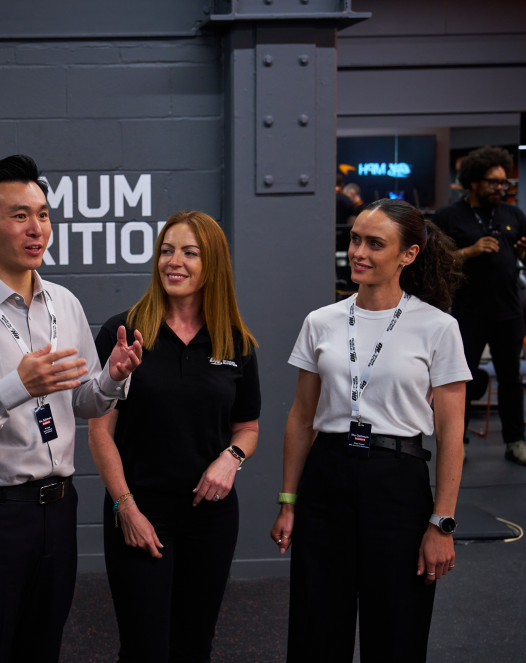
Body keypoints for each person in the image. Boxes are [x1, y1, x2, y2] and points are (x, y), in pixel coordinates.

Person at [0, 154, 143, 663]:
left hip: (58, 510)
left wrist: (112, 377)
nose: (37, 228)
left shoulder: (64, 303)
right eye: (19, 215)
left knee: (43, 648)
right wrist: (14, 388)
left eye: (42, 214)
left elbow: (83, 401)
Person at [272, 199, 470, 662]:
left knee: (396, 631)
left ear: (409, 254)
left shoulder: (438, 328)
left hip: (398, 482)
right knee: (316, 627)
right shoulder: (321, 321)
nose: (358, 252)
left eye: (375, 244)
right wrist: (288, 501)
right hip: (327, 477)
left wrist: (442, 522)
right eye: (355, 239)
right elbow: (301, 418)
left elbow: (451, 434)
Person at [88, 212, 261, 662]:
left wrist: (231, 458)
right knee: (144, 649)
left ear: (213, 263)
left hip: (211, 517)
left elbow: (247, 427)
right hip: (139, 510)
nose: (173, 261)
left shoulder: (235, 341)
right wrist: (125, 507)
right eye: (167, 251)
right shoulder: (124, 332)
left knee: (193, 646)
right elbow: (100, 432)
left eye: (189, 252)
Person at [434, 146, 526, 466]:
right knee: (461, 382)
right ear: (473, 182)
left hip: (508, 312)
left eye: (504, 182)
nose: (500, 188)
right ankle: (456, 443)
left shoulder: (513, 215)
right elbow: (435, 262)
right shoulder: (449, 216)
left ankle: (515, 441)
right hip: (467, 314)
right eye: (493, 182)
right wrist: (469, 252)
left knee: (511, 381)